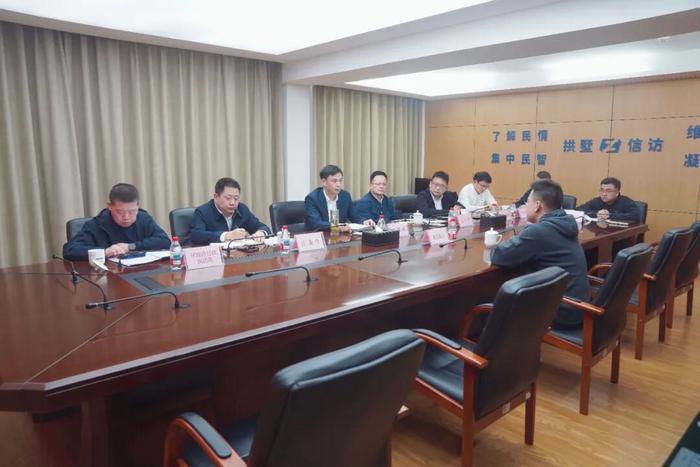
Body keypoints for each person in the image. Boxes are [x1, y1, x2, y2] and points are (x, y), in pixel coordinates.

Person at [491, 179, 590, 329]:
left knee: (488, 298)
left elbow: (499, 256)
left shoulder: (540, 231)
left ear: (537, 205)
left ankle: (482, 343)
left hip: (561, 311)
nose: (525, 206)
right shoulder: (564, 223)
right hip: (578, 307)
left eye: (527, 202)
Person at [63, 183, 170, 260]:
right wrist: (105, 252)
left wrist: (131, 246)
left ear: (138, 205)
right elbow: (70, 250)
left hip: (141, 273)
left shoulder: (143, 218)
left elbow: (165, 241)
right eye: (120, 212)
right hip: (109, 277)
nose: (126, 217)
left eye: (132, 211)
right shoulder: (97, 224)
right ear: (109, 206)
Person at [190, 178, 271, 245]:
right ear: (216, 197)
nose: (233, 203)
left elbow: (263, 227)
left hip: (238, 256)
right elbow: (196, 236)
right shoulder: (202, 212)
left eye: (236, 198)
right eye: (228, 198)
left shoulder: (242, 209)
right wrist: (226, 236)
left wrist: (261, 233)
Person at [304, 165, 354, 232]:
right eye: (334, 181)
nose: (338, 184)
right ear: (324, 182)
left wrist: (363, 221)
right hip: (321, 235)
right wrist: (337, 227)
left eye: (340, 180)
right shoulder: (312, 198)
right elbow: (316, 223)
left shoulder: (345, 196)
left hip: (340, 236)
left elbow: (354, 215)